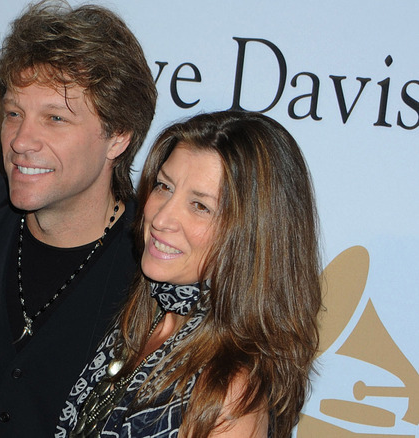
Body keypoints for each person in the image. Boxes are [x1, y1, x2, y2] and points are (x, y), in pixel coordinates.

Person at [0, 1, 157, 436]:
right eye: (14, 113)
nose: (20, 140)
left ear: (118, 137)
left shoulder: (151, 263)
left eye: (55, 118)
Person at [56, 110, 322, 438]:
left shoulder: (230, 391)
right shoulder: (142, 322)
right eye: (164, 186)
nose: (161, 216)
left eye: (200, 206)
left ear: (253, 236)